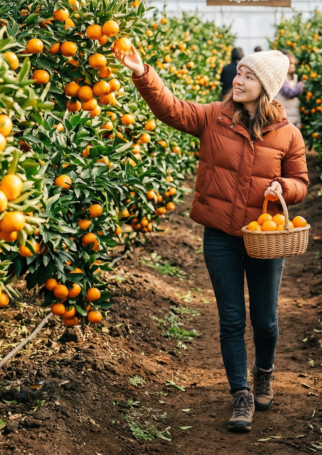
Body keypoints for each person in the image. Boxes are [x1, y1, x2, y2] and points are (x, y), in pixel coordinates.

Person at [114, 44, 309, 433]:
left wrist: (282, 188)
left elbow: (302, 183)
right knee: (231, 319)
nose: (238, 80)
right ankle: (242, 394)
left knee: (266, 321)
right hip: (220, 235)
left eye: (248, 76)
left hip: (264, 237)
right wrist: (141, 72)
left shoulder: (288, 135)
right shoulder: (213, 118)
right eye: (239, 73)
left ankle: (265, 371)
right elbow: (170, 108)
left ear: (267, 86)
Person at [276, 50, 303, 127]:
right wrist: (300, 85)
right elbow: (289, 93)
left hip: (294, 113)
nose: (293, 66)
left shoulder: (293, 77)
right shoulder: (281, 78)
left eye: (294, 64)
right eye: (290, 64)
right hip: (285, 114)